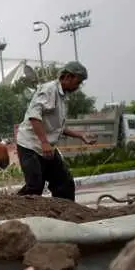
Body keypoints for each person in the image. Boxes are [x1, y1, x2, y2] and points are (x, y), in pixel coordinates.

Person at [15, 61, 96, 201]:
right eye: (78, 82)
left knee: (64, 182)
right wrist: (44, 142)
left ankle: (67, 213)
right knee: (35, 186)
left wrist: (80, 135)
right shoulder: (49, 90)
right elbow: (34, 117)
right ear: (68, 77)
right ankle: (13, 207)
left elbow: (56, 128)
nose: (78, 86)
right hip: (31, 145)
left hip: (47, 147)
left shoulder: (63, 97)